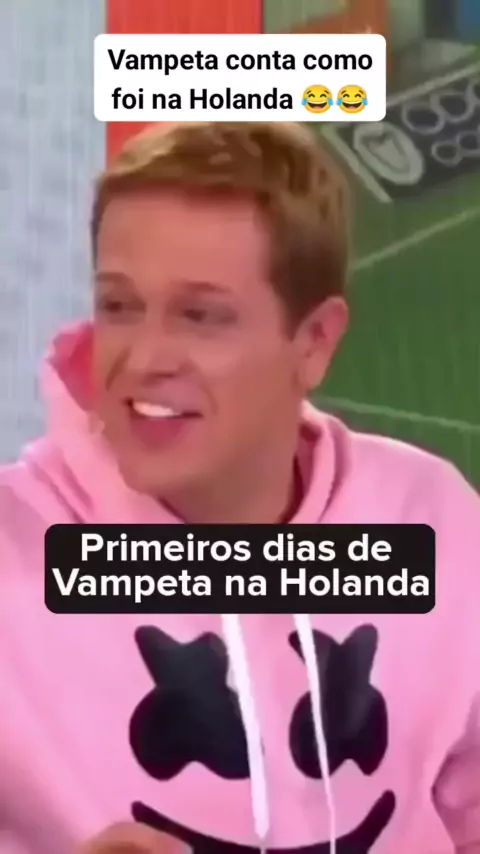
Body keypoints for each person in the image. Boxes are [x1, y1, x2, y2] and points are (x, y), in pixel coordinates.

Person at [0, 120, 478, 854]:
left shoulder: (433, 522)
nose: (144, 359)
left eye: (201, 316)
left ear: (314, 341)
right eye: (119, 305)